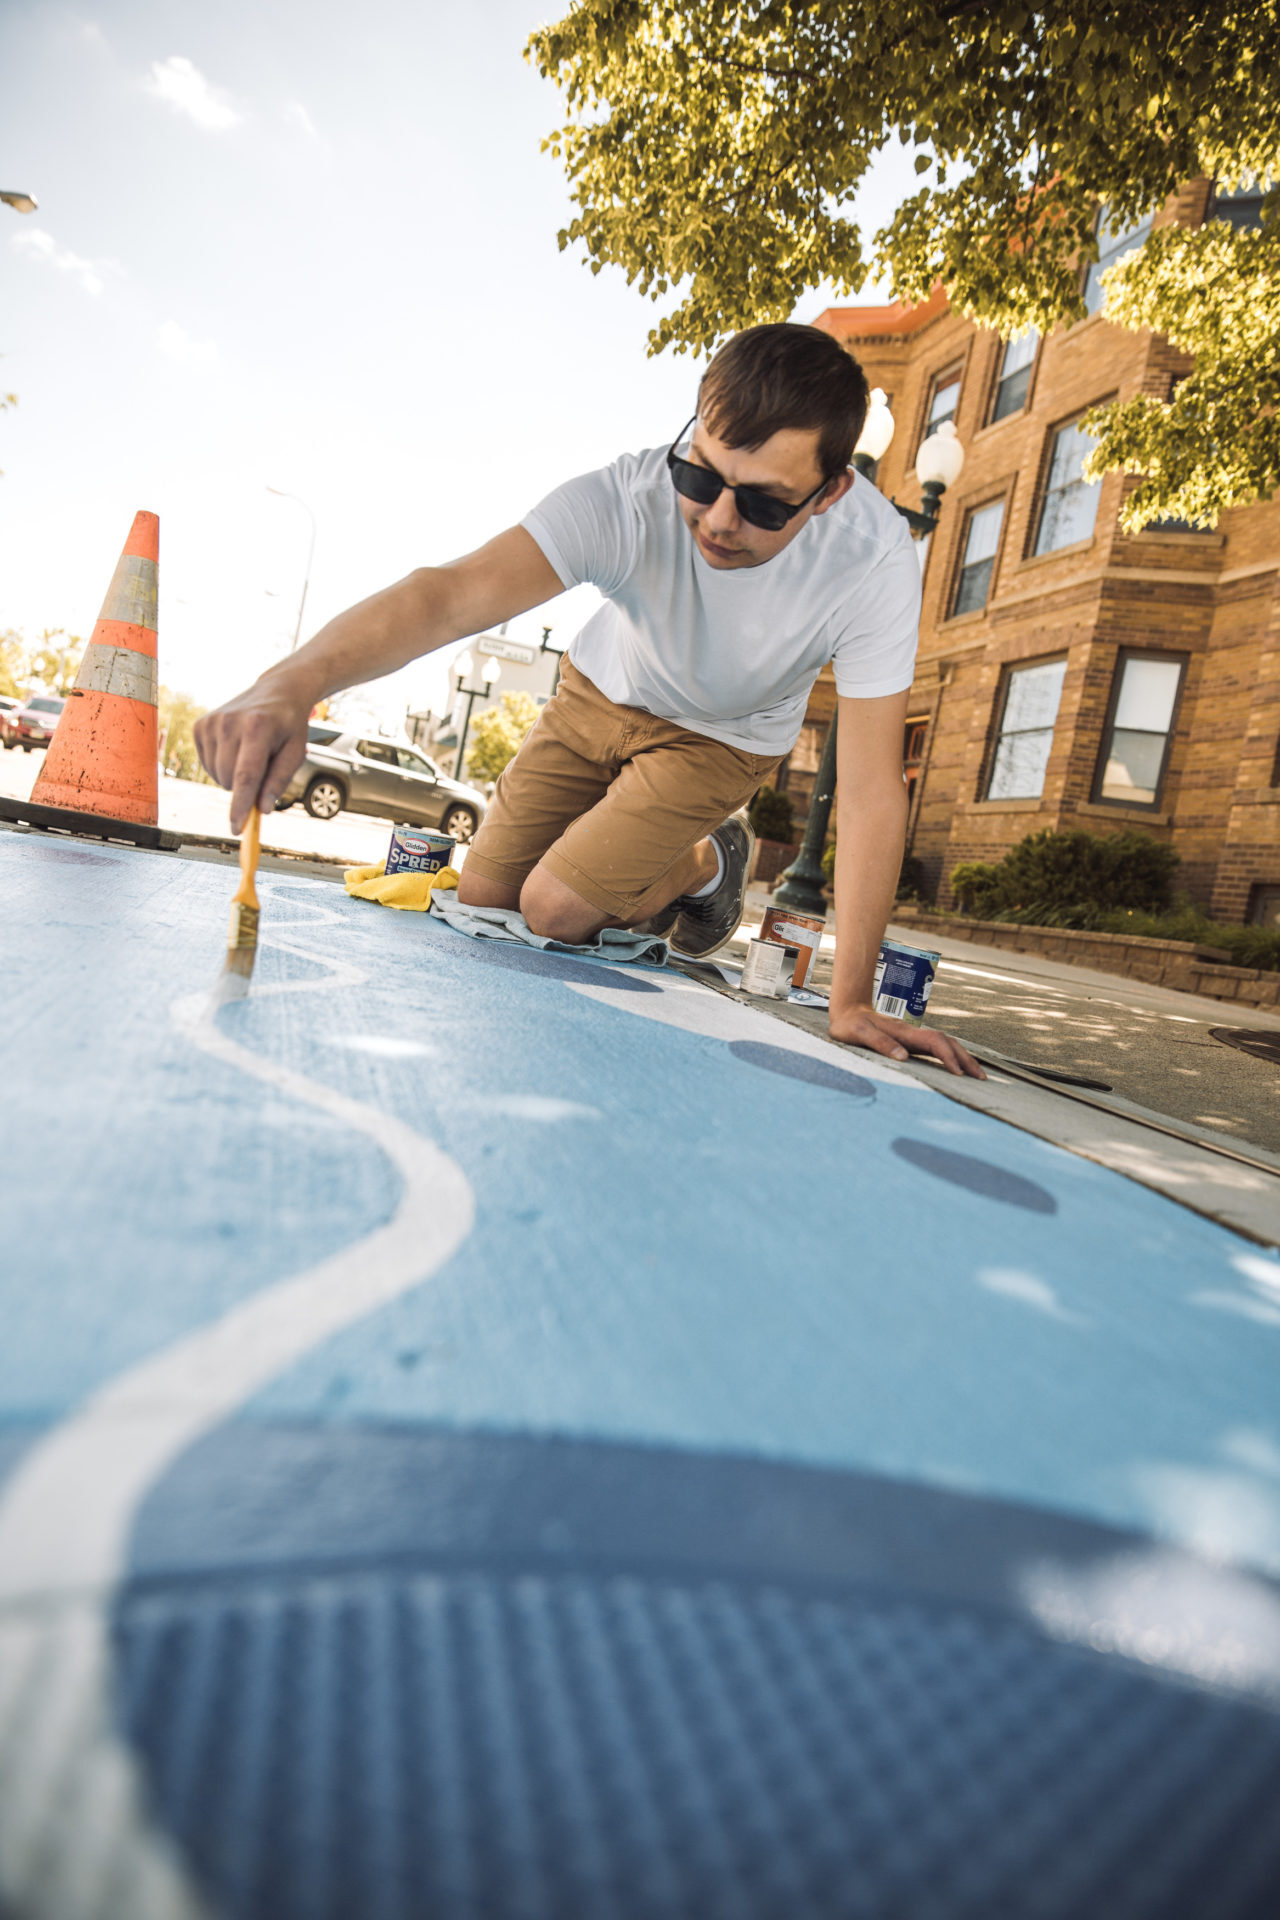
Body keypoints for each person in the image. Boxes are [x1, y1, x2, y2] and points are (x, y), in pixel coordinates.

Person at [195, 323, 982, 1078]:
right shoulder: (629, 494)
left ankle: (708, 861)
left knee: (554, 910)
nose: (717, 519)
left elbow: (876, 785)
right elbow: (448, 594)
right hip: (596, 691)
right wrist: (290, 685)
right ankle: (671, 859)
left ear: (832, 490)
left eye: (766, 503)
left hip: (724, 735)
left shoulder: (874, 558)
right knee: (487, 899)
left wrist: (850, 1001)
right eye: (701, 475)